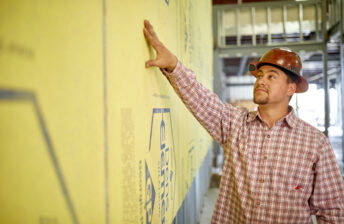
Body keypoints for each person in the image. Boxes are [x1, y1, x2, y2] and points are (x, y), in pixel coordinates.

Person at [143, 19, 344, 223]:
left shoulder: (315, 144)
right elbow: (200, 98)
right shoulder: (234, 124)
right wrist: (173, 64)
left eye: (271, 76)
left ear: (290, 88)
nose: (261, 81)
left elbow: (332, 210)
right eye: (260, 75)